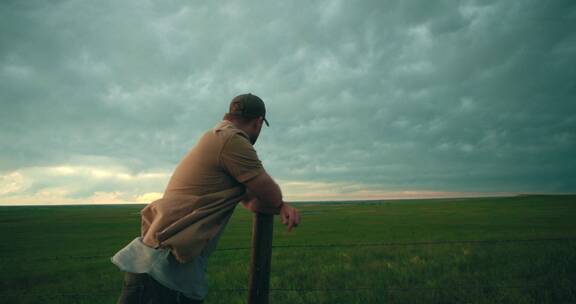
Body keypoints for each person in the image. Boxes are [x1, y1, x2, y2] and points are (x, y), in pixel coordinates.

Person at [111, 93, 301, 304]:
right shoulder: (232, 140)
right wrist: (280, 203)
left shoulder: (218, 138)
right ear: (258, 122)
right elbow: (269, 195)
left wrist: (278, 206)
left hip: (163, 269)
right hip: (163, 274)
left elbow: (252, 201)